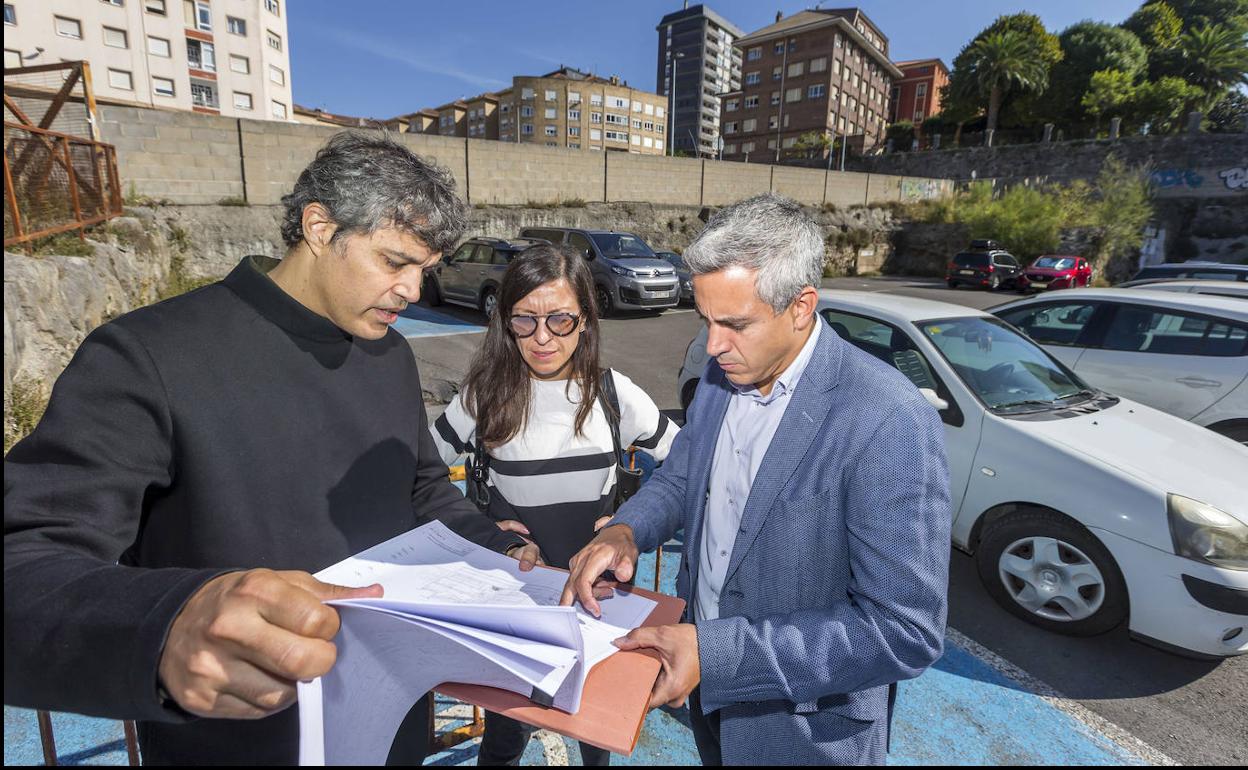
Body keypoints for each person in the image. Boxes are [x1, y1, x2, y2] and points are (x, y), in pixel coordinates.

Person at [3, 132, 539, 765]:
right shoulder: (148, 354)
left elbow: (421, 485)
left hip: (390, 719)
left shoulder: (391, 355)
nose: (414, 291)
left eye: (425, 269)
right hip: (237, 738)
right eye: (395, 262)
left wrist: (497, 545)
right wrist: (166, 624)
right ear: (318, 226)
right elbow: (24, 557)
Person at [561, 194, 952, 766]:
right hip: (708, 701)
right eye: (706, 320)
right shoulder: (722, 379)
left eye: (735, 324)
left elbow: (904, 630)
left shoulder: (886, 418)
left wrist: (717, 655)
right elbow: (684, 476)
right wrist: (625, 529)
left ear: (801, 306)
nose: (713, 346)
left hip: (807, 736)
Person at [430, 243, 678, 766]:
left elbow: (687, 468)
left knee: (597, 732)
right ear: (505, 321)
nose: (542, 338)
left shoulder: (614, 395)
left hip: (603, 602)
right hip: (518, 600)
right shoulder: (484, 395)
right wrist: (486, 529)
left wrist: (631, 524)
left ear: (585, 320)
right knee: (504, 737)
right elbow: (419, 474)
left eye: (560, 320)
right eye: (525, 320)